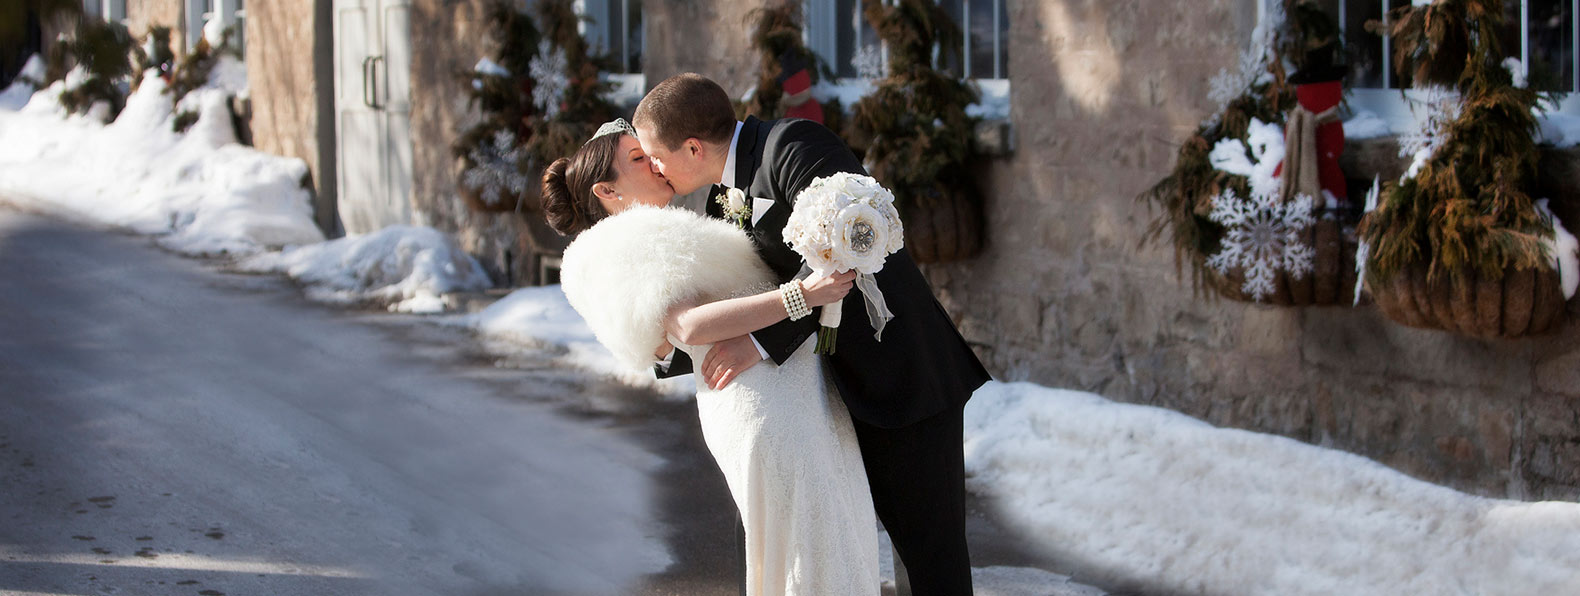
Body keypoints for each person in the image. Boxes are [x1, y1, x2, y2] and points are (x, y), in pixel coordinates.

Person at [633, 73, 992, 596]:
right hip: (817, 404)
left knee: (928, 560)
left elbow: (840, 260)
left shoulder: (796, 146)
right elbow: (741, 298)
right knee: (777, 543)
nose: (655, 169)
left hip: (899, 379)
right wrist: (670, 346)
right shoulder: (717, 200)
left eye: (654, 155)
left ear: (692, 147)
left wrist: (758, 345)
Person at [542, 118, 880, 595]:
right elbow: (688, 326)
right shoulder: (633, 238)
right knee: (811, 541)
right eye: (638, 159)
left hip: (791, 388)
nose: (655, 164)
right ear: (607, 191)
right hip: (764, 401)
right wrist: (801, 294)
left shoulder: (669, 225)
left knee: (831, 535)